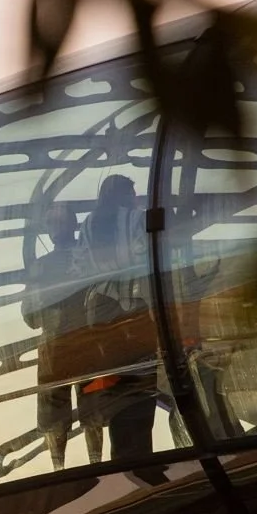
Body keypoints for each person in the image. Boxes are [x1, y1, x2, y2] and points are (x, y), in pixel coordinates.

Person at [78, 174, 159, 465]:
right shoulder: (135, 218)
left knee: (116, 393)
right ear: (125, 194)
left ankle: (122, 460)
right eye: (133, 192)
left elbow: (81, 268)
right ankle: (141, 461)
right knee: (141, 389)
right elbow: (144, 257)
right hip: (132, 309)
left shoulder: (88, 225)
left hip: (100, 313)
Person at [21, 202, 87, 469]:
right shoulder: (87, 257)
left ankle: (58, 469)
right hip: (85, 343)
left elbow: (30, 317)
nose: (55, 228)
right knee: (92, 408)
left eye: (58, 222)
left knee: (57, 415)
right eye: (52, 222)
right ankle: (89, 463)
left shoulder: (40, 267)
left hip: (57, 348)